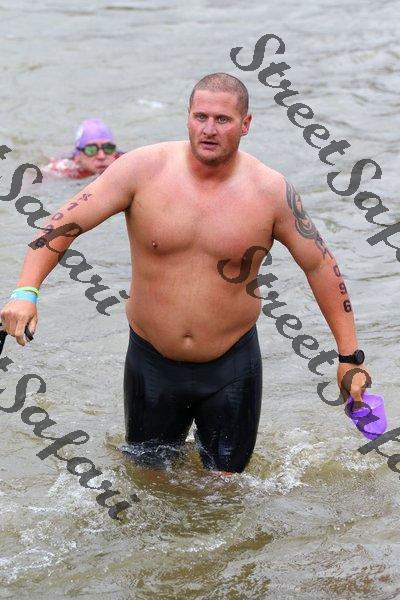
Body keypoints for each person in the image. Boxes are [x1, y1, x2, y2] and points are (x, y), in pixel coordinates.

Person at [0, 73, 370, 474]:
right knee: (148, 484)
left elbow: (318, 264)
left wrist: (349, 358)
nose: (209, 129)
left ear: (246, 124)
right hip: (151, 364)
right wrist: (26, 291)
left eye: (223, 120)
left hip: (231, 366)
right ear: (188, 117)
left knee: (226, 494)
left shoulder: (271, 192)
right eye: (200, 117)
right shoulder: (140, 170)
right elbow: (61, 226)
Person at [42, 118, 123, 179]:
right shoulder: (64, 171)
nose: (101, 156)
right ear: (78, 156)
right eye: (91, 150)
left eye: (108, 148)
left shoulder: (125, 164)